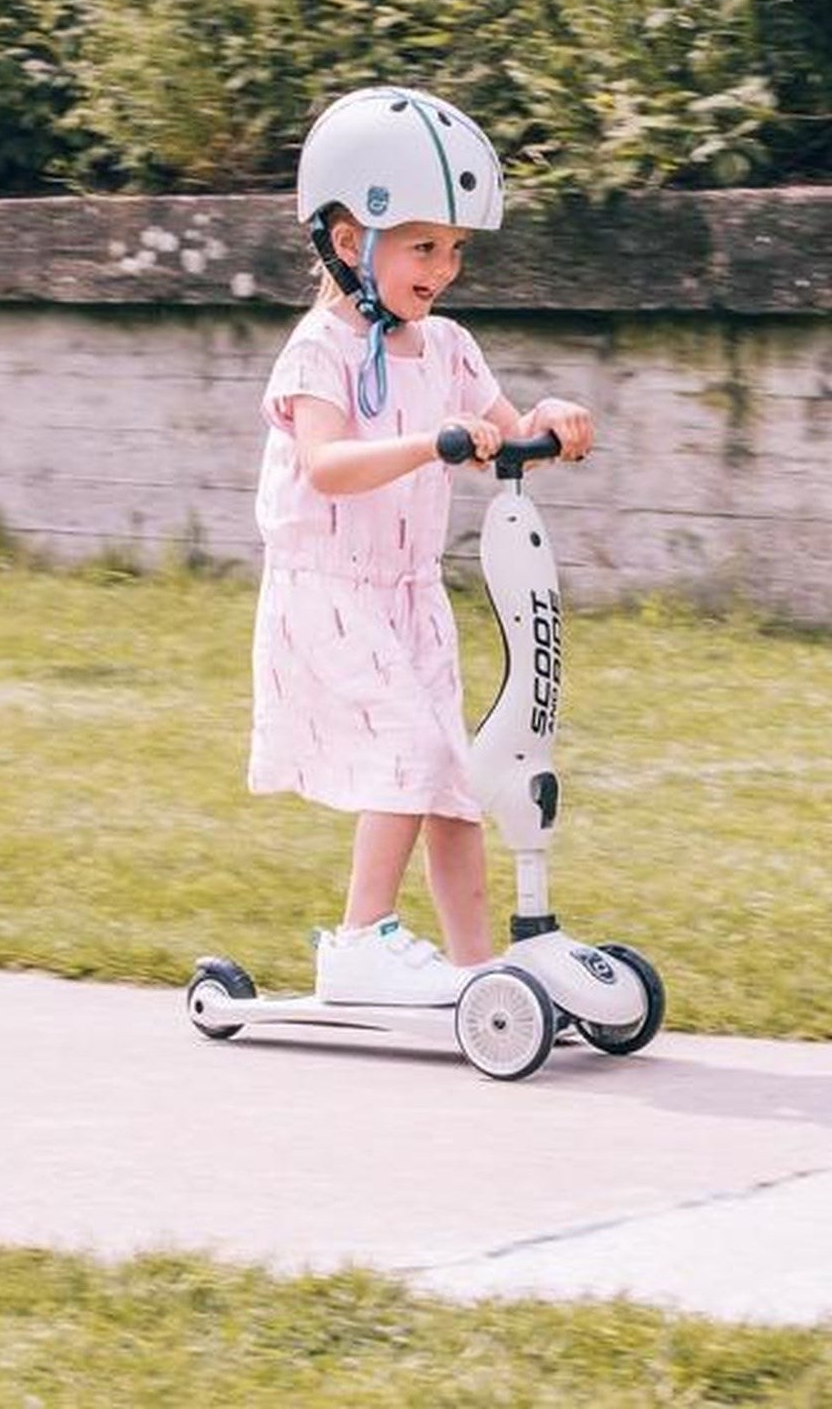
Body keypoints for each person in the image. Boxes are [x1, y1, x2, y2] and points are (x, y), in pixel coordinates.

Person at [249, 86, 594, 1006]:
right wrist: (431, 443)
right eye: (423, 246)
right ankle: (358, 943)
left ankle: (482, 976)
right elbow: (326, 466)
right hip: (330, 591)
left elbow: (505, 433)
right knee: (405, 746)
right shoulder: (317, 352)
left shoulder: (447, 346)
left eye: (455, 249)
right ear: (349, 240)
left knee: (449, 778)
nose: (443, 268)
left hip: (410, 595)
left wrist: (549, 421)